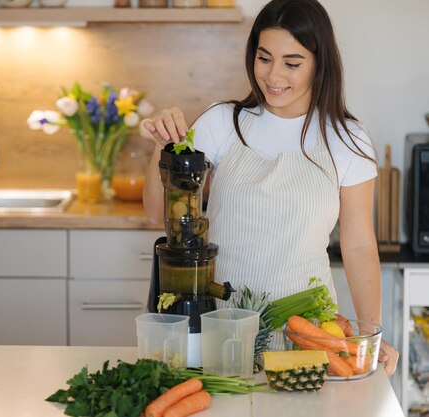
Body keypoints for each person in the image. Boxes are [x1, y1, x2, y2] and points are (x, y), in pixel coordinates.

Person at [142, 0, 398, 376]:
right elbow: (154, 213)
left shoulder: (347, 139)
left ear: (319, 64)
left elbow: (359, 243)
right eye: (264, 58)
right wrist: (160, 148)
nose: (274, 75)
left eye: (292, 63)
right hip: (222, 329)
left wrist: (370, 334)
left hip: (310, 333)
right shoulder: (222, 123)